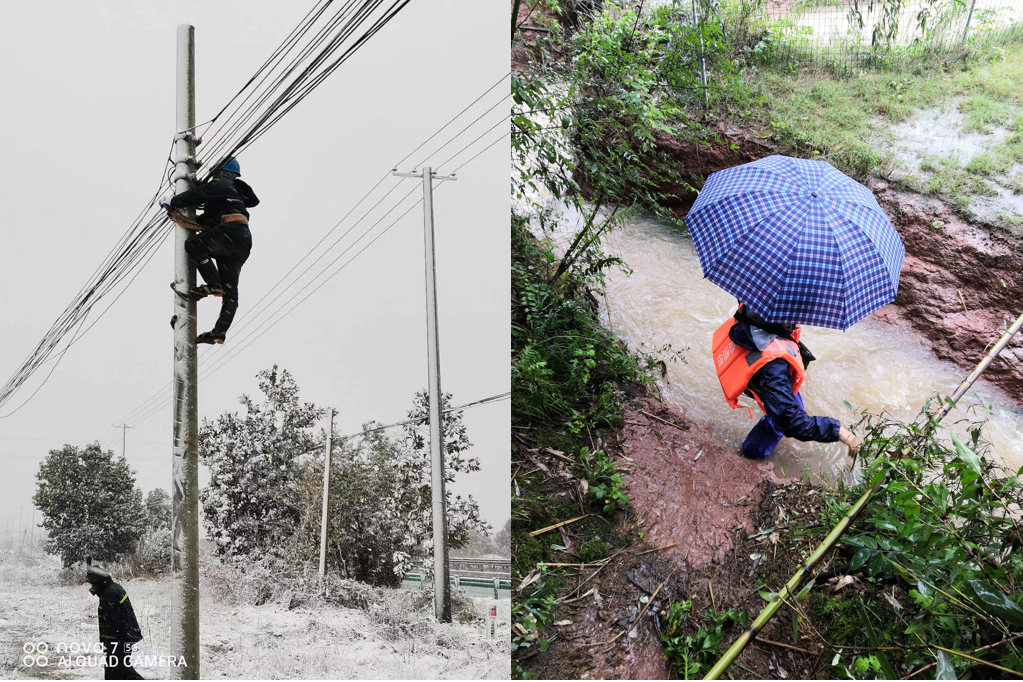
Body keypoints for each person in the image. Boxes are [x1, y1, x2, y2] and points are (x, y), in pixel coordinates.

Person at [712, 302, 859, 461]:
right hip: (765, 375)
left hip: (758, 363)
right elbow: (791, 421)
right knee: (780, 418)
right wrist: (839, 432)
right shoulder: (774, 368)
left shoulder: (755, 305)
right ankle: (752, 452)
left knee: (787, 406)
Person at [159, 156, 259, 345]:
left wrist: (174, 201)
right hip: (241, 241)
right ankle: (219, 332)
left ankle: (214, 284)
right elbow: (206, 220)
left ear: (221, 172)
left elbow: (195, 196)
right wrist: (180, 215)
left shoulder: (222, 184)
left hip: (230, 231)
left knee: (194, 245)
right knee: (231, 293)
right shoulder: (233, 197)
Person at [85, 562, 144, 680]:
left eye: (92, 583)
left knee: (115, 671)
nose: (92, 587)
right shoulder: (115, 587)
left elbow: (111, 623)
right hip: (126, 636)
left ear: (98, 581)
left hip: (120, 639)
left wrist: (109, 643)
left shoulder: (109, 594)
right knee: (122, 669)